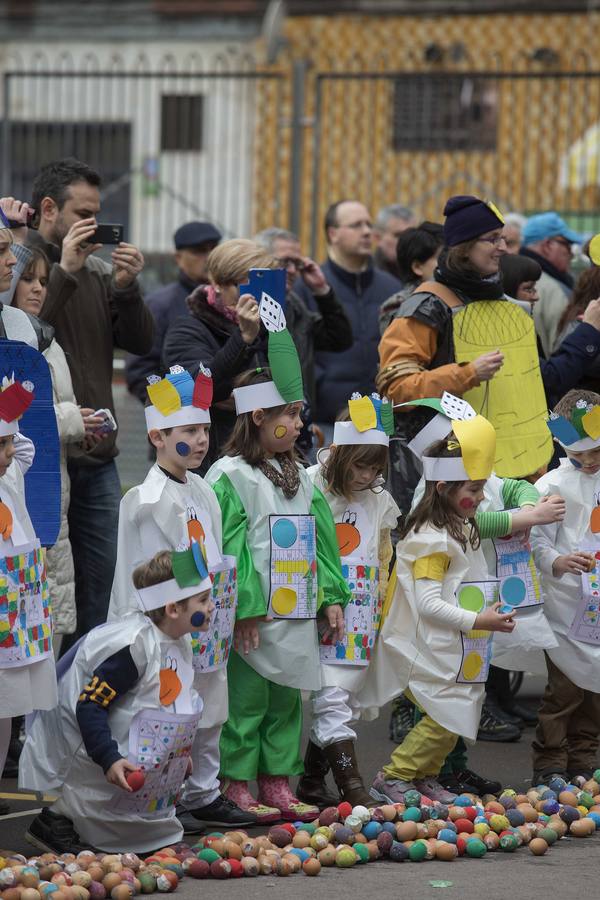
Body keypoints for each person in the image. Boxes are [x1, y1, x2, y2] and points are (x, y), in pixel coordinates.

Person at [205, 319, 350, 823]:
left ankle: (276, 782)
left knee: (287, 700)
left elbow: (323, 543)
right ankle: (237, 782)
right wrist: (244, 608)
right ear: (258, 416)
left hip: (297, 609)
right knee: (246, 702)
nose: (299, 420)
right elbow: (231, 546)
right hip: (257, 614)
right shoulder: (231, 476)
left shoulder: (301, 478)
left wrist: (331, 594)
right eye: (290, 413)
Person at [107, 365, 254, 831]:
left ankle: (204, 793)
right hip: (167, 622)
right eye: (190, 430)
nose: (203, 438)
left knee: (210, 706)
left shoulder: (205, 489)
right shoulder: (145, 500)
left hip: (207, 615)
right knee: (168, 706)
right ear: (157, 436)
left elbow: (215, 549)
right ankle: (162, 795)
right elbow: (143, 568)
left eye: (206, 429)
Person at [27, 157, 154, 650]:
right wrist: (63, 272)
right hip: (40, 459)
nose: (93, 225)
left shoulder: (100, 273)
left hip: (98, 459)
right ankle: (34, 715)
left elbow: (141, 341)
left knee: (100, 593)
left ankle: (83, 704)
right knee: (43, 593)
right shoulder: (20, 268)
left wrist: (127, 288)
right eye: (83, 213)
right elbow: (31, 336)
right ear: (48, 209)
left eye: (97, 214)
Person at [21, 549, 213, 854]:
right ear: (173, 608)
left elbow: (170, 702)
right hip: (95, 744)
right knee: (98, 800)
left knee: (148, 822)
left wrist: (178, 754)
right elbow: (90, 705)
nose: (212, 607)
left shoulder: (181, 642)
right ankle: (58, 818)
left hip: (138, 741)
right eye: (203, 601)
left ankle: (133, 833)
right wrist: (108, 758)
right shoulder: (133, 647)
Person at [367, 412, 516, 803]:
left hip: (455, 643)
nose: (481, 497)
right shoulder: (431, 540)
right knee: (444, 716)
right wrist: (478, 618)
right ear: (444, 487)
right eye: (475, 488)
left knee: (456, 713)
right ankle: (395, 775)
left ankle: (425, 776)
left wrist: (484, 606)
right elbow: (430, 604)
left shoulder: (458, 524)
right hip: (427, 645)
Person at [378, 195, 551, 516]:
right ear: (463, 246)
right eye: (491, 239)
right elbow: (396, 387)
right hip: (433, 475)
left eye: (503, 238)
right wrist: (466, 373)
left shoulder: (505, 306)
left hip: (501, 469)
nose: (503, 247)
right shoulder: (425, 306)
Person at [296, 397, 399, 808]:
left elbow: (382, 556)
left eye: (376, 468)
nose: (367, 476)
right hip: (321, 612)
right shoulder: (309, 485)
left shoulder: (378, 500)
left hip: (363, 614)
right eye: (360, 466)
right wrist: (322, 598)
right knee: (332, 695)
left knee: (347, 698)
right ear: (339, 454)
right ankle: (351, 785)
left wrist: (383, 608)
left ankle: (311, 779)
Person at [531, 389, 600, 784]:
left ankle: (584, 760)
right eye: (580, 456)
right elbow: (538, 541)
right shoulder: (552, 485)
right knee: (563, 690)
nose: (589, 462)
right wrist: (557, 561)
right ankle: (550, 764)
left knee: (596, 692)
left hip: (598, 603)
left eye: (596, 453)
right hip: (565, 604)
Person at [294, 200, 401, 442]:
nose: (366, 231)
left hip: (380, 418)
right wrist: (321, 389)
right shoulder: (308, 287)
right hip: (327, 420)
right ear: (333, 234)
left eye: (368, 224)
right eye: (355, 225)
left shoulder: (391, 287)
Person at [0, 373, 58, 812]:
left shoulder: (10, 478)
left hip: (16, 617)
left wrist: (10, 414)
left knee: (9, 707)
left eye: (6, 445)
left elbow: (24, 448)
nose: (6, 454)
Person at [253, 227, 353, 417]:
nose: (292, 270)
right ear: (259, 261)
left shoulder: (294, 305)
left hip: (297, 422)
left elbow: (339, 339)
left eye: (296, 263)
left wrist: (322, 290)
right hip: (261, 422)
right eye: (284, 262)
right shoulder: (244, 308)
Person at [125, 221, 222, 404]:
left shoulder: (231, 300)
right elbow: (140, 371)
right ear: (178, 258)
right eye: (199, 251)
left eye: (214, 249)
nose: (209, 257)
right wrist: (178, 409)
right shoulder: (160, 305)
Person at [501, 253, 600, 409]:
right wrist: (590, 330)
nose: (536, 296)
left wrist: (565, 433)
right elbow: (551, 380)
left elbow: (547, 402)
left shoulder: (524, 329)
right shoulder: (505, 335)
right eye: (529, 289)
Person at [520, 212, 584, 357]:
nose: (571, 254)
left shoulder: (511, 276)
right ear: (548, 245)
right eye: (567, 245)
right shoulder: (554, 289)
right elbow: (566, 352)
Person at [379, 222, 444, 333]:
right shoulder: (398, 306)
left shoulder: (459, 295)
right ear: (417, 267)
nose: (450, 263)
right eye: (442, 257)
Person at [373, 204, 416, 281]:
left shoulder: (423, 272)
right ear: (378, 238)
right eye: (398, 235)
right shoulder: (366, 276)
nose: (406, 241)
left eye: (411, 234)